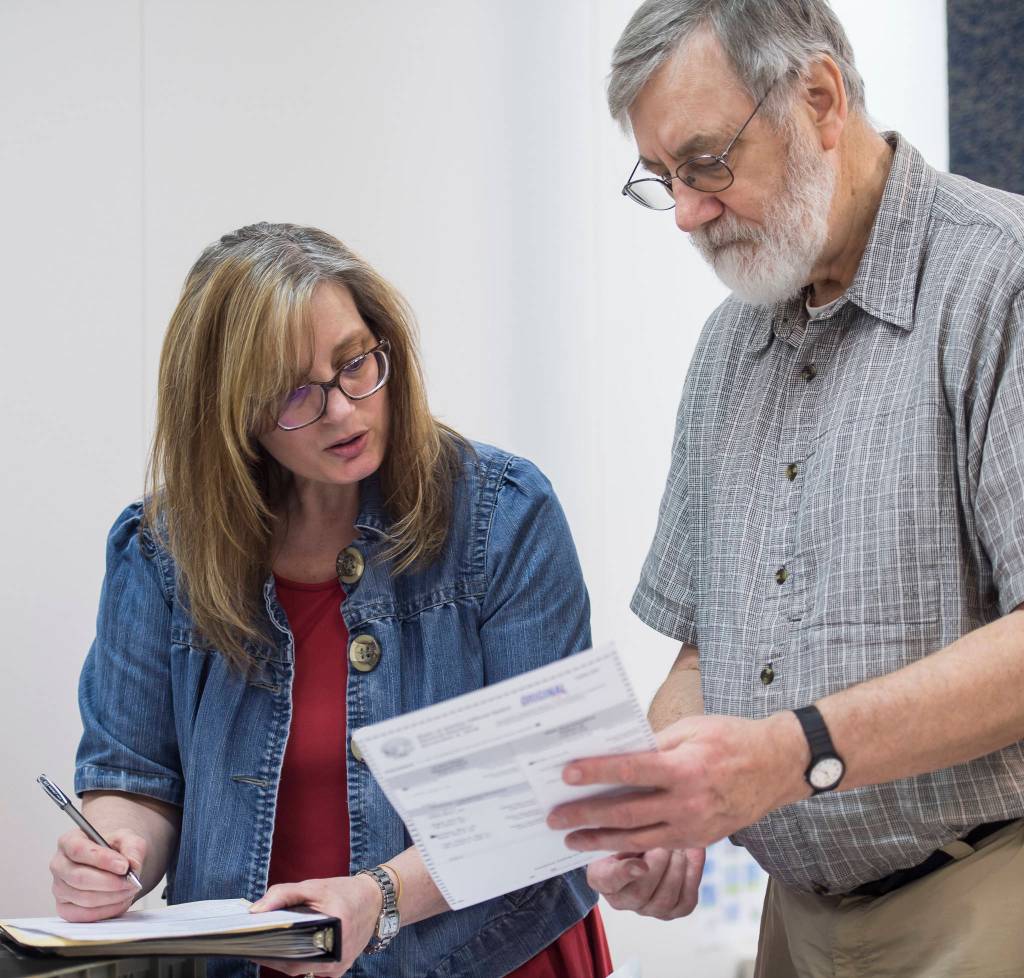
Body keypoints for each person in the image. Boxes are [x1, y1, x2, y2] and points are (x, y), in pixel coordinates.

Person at [544, 2, 1024, 976]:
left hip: (986, 899)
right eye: (663, 178)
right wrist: (661, 809)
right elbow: (700, 655)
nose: (684, 211)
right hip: (793, 920)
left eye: (707, 161)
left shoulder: (998, 282)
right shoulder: (728, 348)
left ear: (818, 98)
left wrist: (787, 754)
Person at [49, 223, 613, 978]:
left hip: (479, 956)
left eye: (355, 364)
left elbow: (553, 790)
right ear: (230, 412)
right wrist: (116, 854)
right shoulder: (161, 551)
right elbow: (135, 779)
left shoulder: (502, 515)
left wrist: (380, 896)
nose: (344, 410)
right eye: (294, 393)